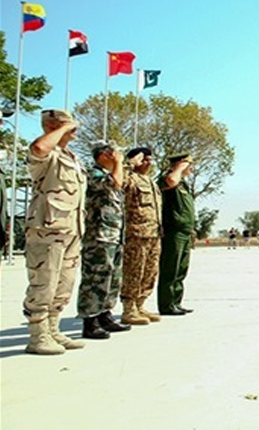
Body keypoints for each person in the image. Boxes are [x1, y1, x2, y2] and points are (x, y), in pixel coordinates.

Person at [21, 110, 87, 354]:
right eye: (68, 124)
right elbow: (38, 148)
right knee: (44, 283)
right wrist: (60, 130)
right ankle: (38, 336)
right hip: (47, 230)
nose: (74, 129)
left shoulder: (72, 158)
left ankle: (53, 330)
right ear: (51, 126)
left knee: (64, 285)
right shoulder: (46, 154)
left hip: (71, 229)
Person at [76, 144, 132, 338]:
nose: (118, 156)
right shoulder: (94, 173)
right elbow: (114, 183)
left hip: (114, 235)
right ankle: (90, 320)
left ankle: (105, 314)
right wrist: (119, 162)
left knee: (112, 278)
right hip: (98, 236)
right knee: (95, 279)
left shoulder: (112, 173)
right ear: (103, 155)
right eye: (114, 153)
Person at [120, 147, 164, 326]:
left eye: (150, 159)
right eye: (144, 159)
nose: (148, 162)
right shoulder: (129, 177)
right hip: (136, 234)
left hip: (154, 233)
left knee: (150, 271)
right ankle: (128, 308)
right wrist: (129, 163)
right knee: (134, 271)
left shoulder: (151, 182)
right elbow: (119, 181)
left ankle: (140, 304)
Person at [157, 152, 196, 316]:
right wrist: (179, 168)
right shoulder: (167, 179)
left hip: (185, 231)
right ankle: (166, 305)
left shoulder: (183, 184)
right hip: (173, 230)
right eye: (188, 164)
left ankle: (176, 302)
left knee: (181, 269)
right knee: (170, 269)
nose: (191, 168)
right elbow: (171, 181)